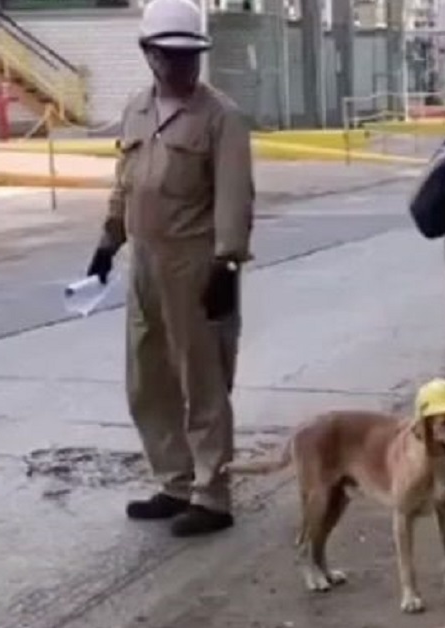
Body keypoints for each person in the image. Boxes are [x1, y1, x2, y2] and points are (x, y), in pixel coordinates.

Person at [84, 0, 255, 537]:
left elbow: (234, 196)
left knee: (203, 380)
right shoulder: (136, 109)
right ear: (148, 54)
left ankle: (212, 494)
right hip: (145, 263)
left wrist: (226, 264)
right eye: (171, 56)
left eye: (191, 56)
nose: (183, 67)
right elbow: (125, 183)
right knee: (148, 378)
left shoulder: (220, 116)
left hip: (196, 261)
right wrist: (107, 243)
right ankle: (174, 481)